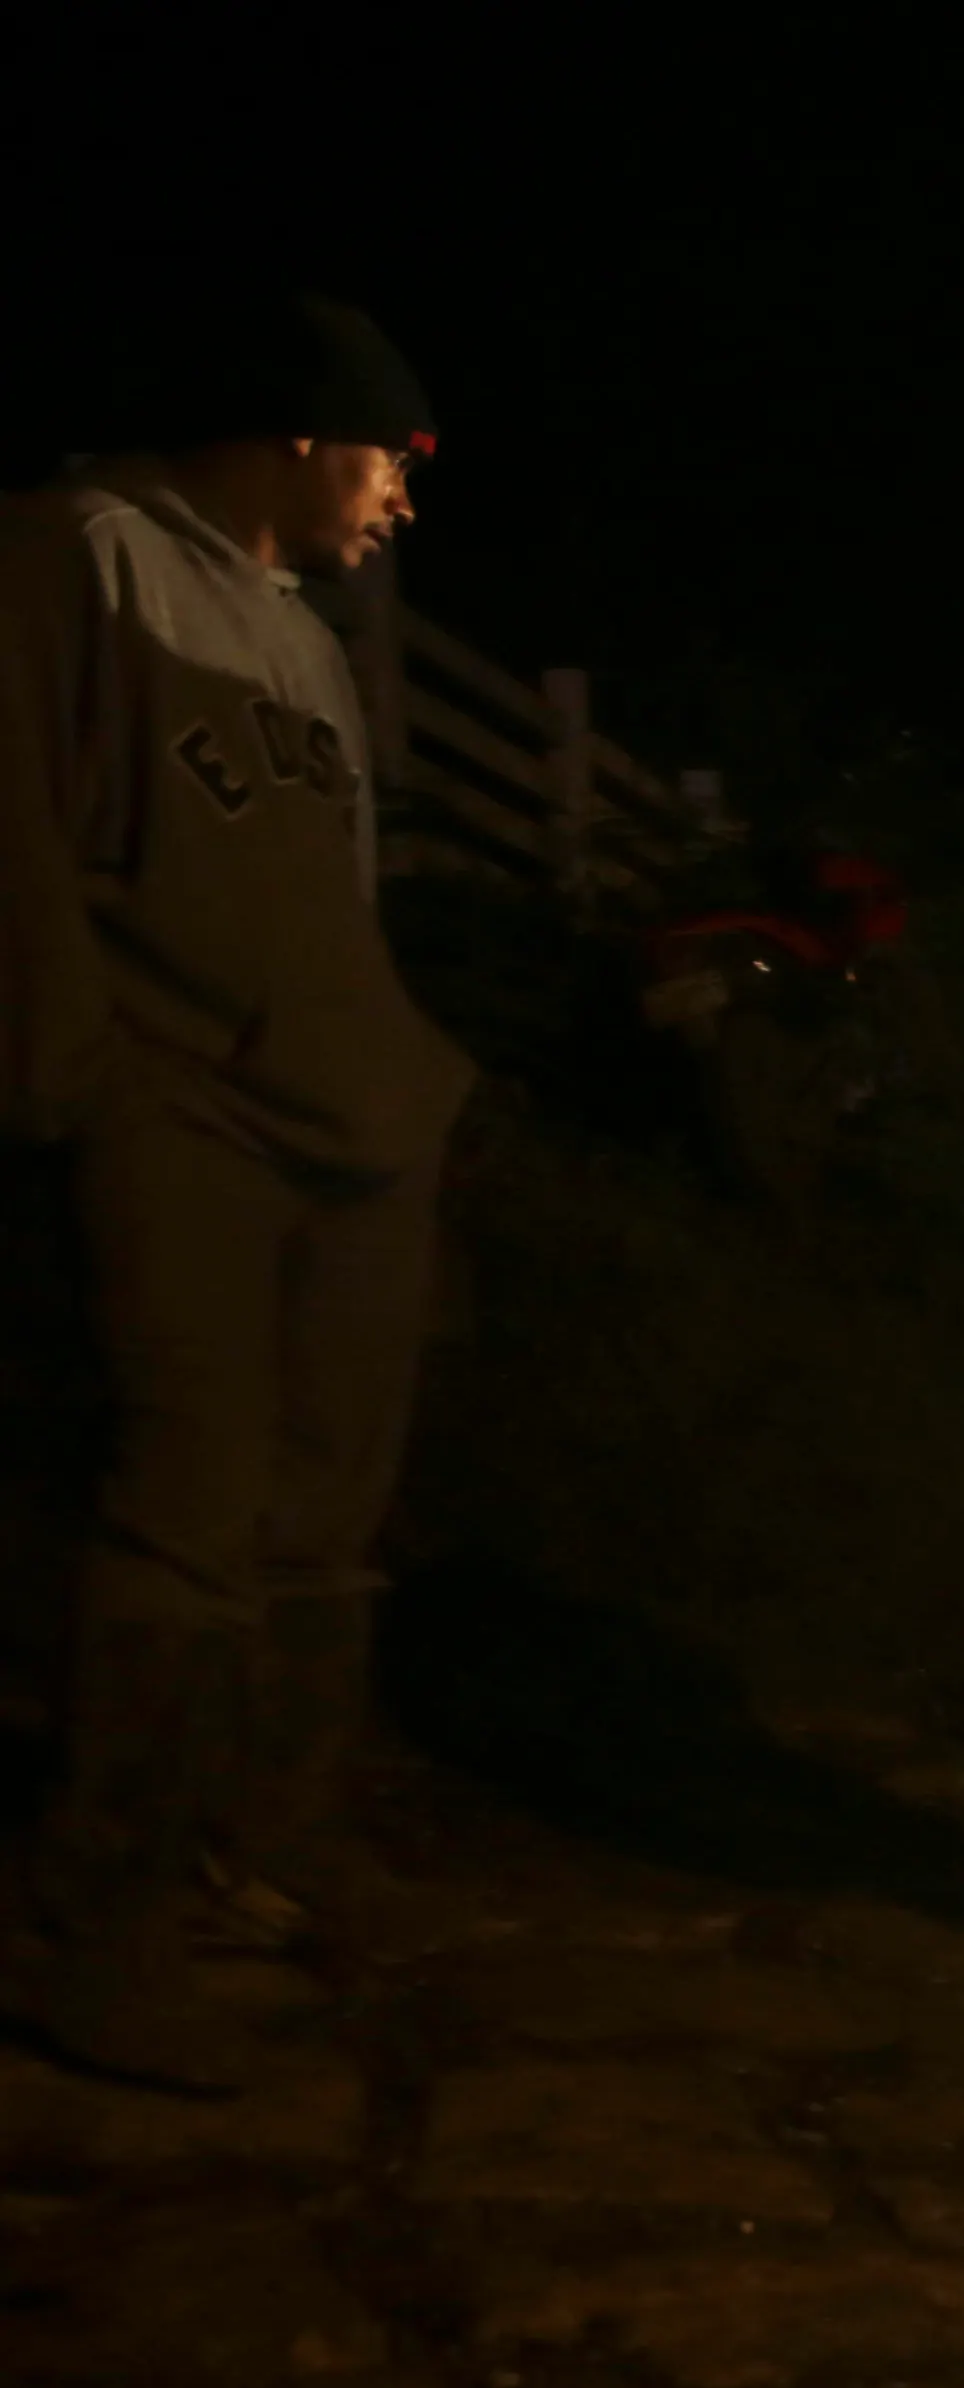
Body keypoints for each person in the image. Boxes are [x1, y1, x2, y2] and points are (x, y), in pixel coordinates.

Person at [0, 296, 469, 2092]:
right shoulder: (81, 555)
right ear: (299, 436)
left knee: (322, 1517)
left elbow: (334, 895)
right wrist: (61, 1074)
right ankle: (85, 1934)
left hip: (354, 1118)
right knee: (185, 1504)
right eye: (395, 465)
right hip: (176, 1103)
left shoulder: (303, 635)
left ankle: (250, 1862)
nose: (403, 505)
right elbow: (20, 825)